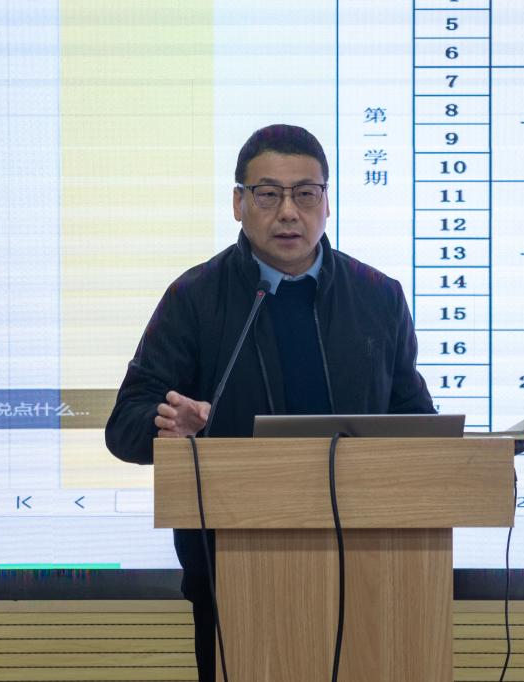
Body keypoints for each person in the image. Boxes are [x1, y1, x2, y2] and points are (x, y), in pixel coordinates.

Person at [105, 123, 434, 682]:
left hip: (371, 570)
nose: (288, 212)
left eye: (305, 194)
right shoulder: (195, 298)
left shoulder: (378, 296)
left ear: (326, 203)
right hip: (232, 569)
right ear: (239, 203)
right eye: (267, 194)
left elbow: (415, 423)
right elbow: (124, 426)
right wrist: (169, 427)